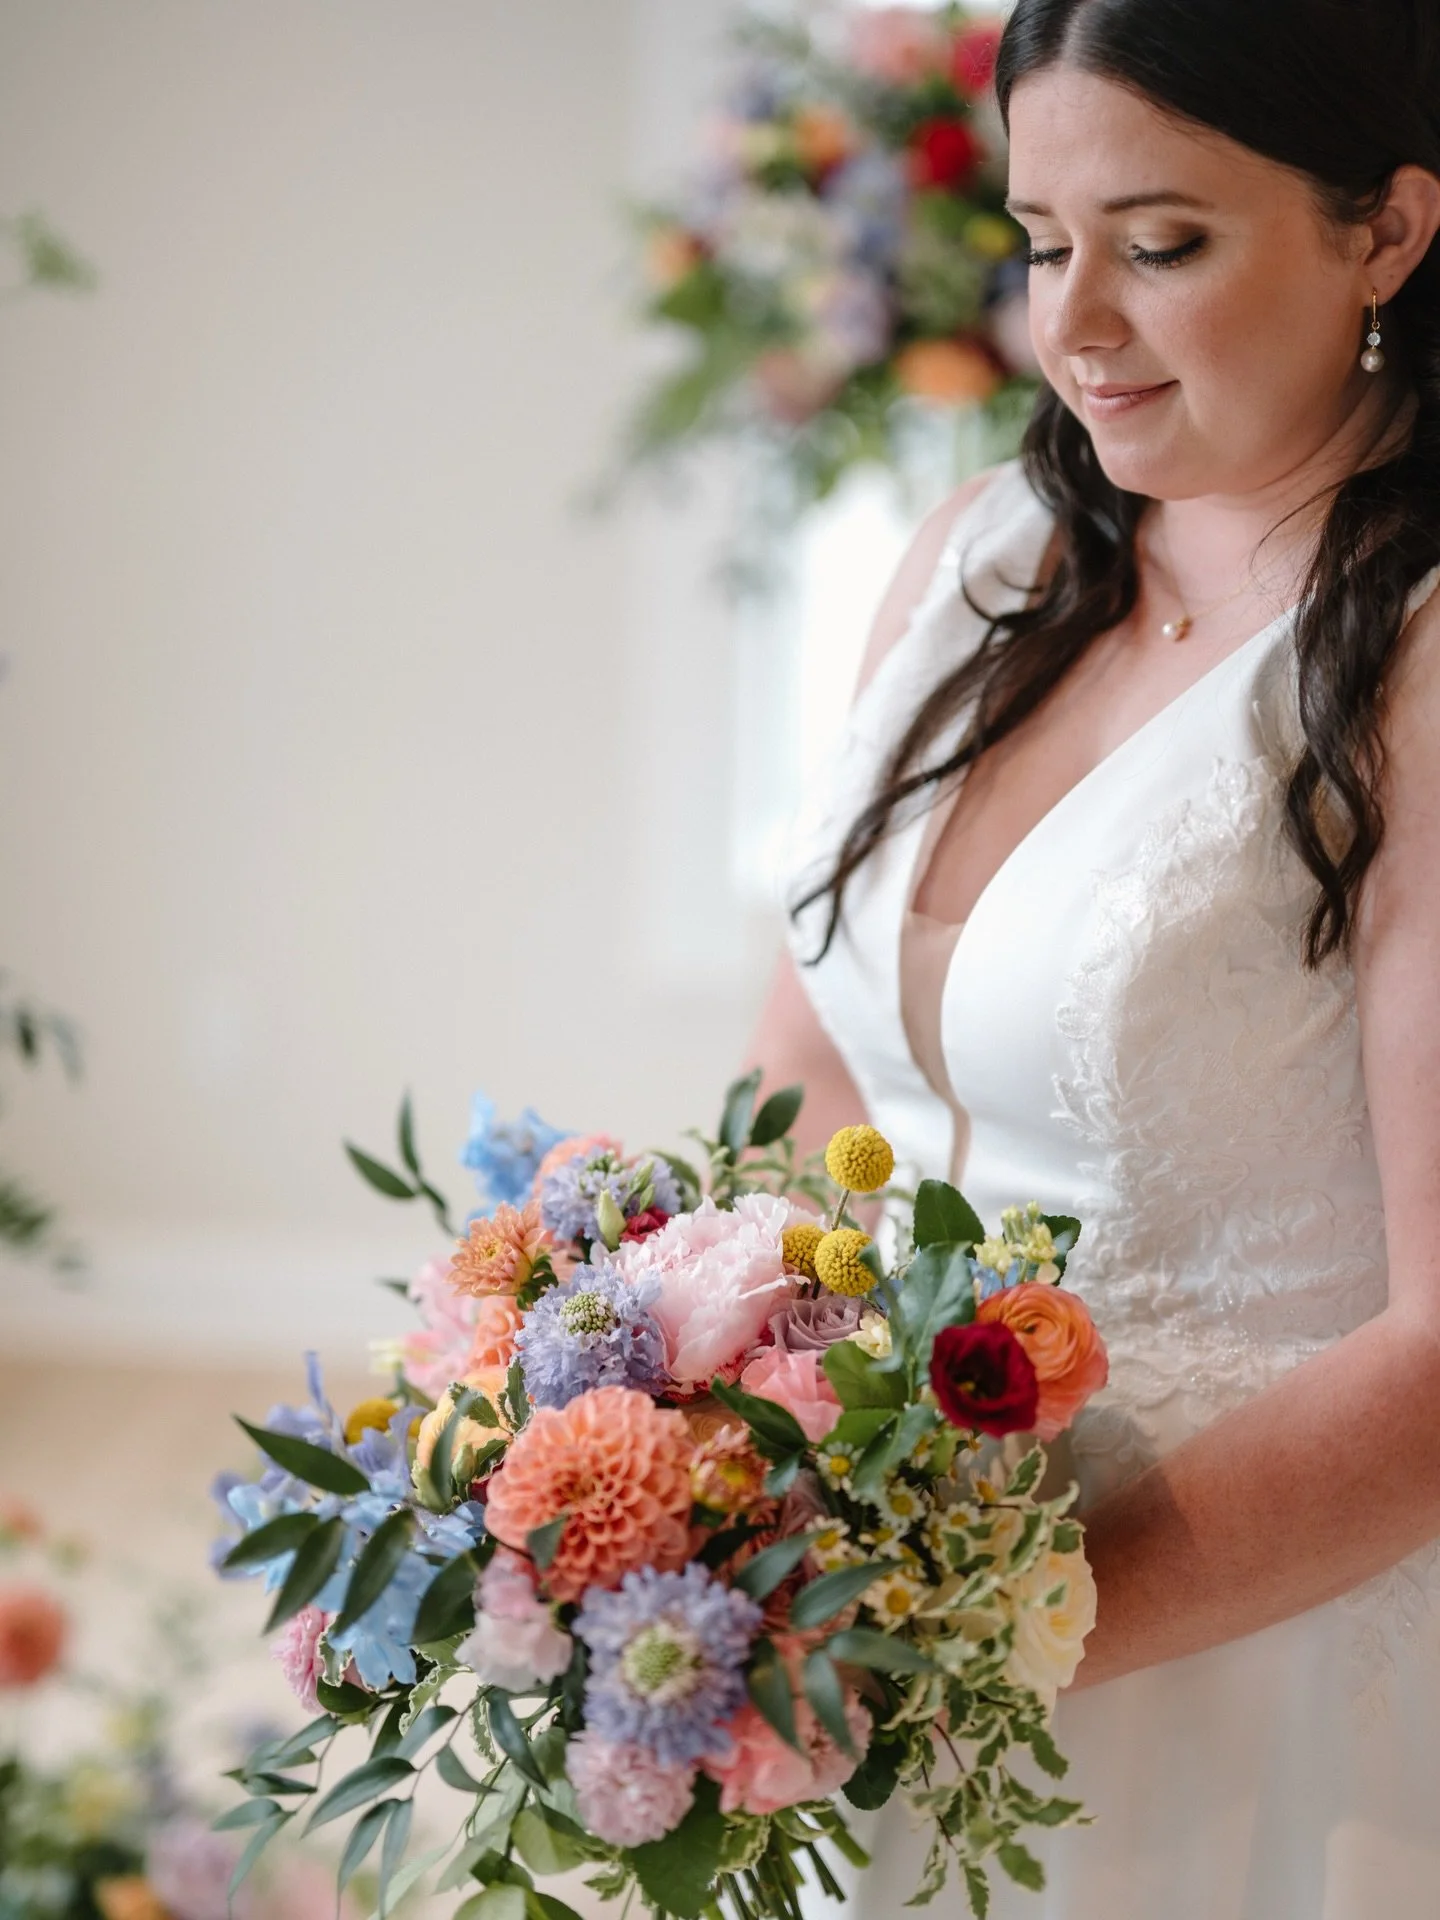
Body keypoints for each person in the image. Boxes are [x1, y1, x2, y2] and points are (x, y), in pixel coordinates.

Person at [744, 2, 1440, 1914]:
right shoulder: (978, 554)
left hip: (1231, 1673)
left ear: (1386, 229)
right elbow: (807, 1065)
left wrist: (961, 1645)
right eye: (1048, 245)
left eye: (1164, 244)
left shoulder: (1415, 655)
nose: (1075, 329)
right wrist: (696, 1452)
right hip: (847, 1627)